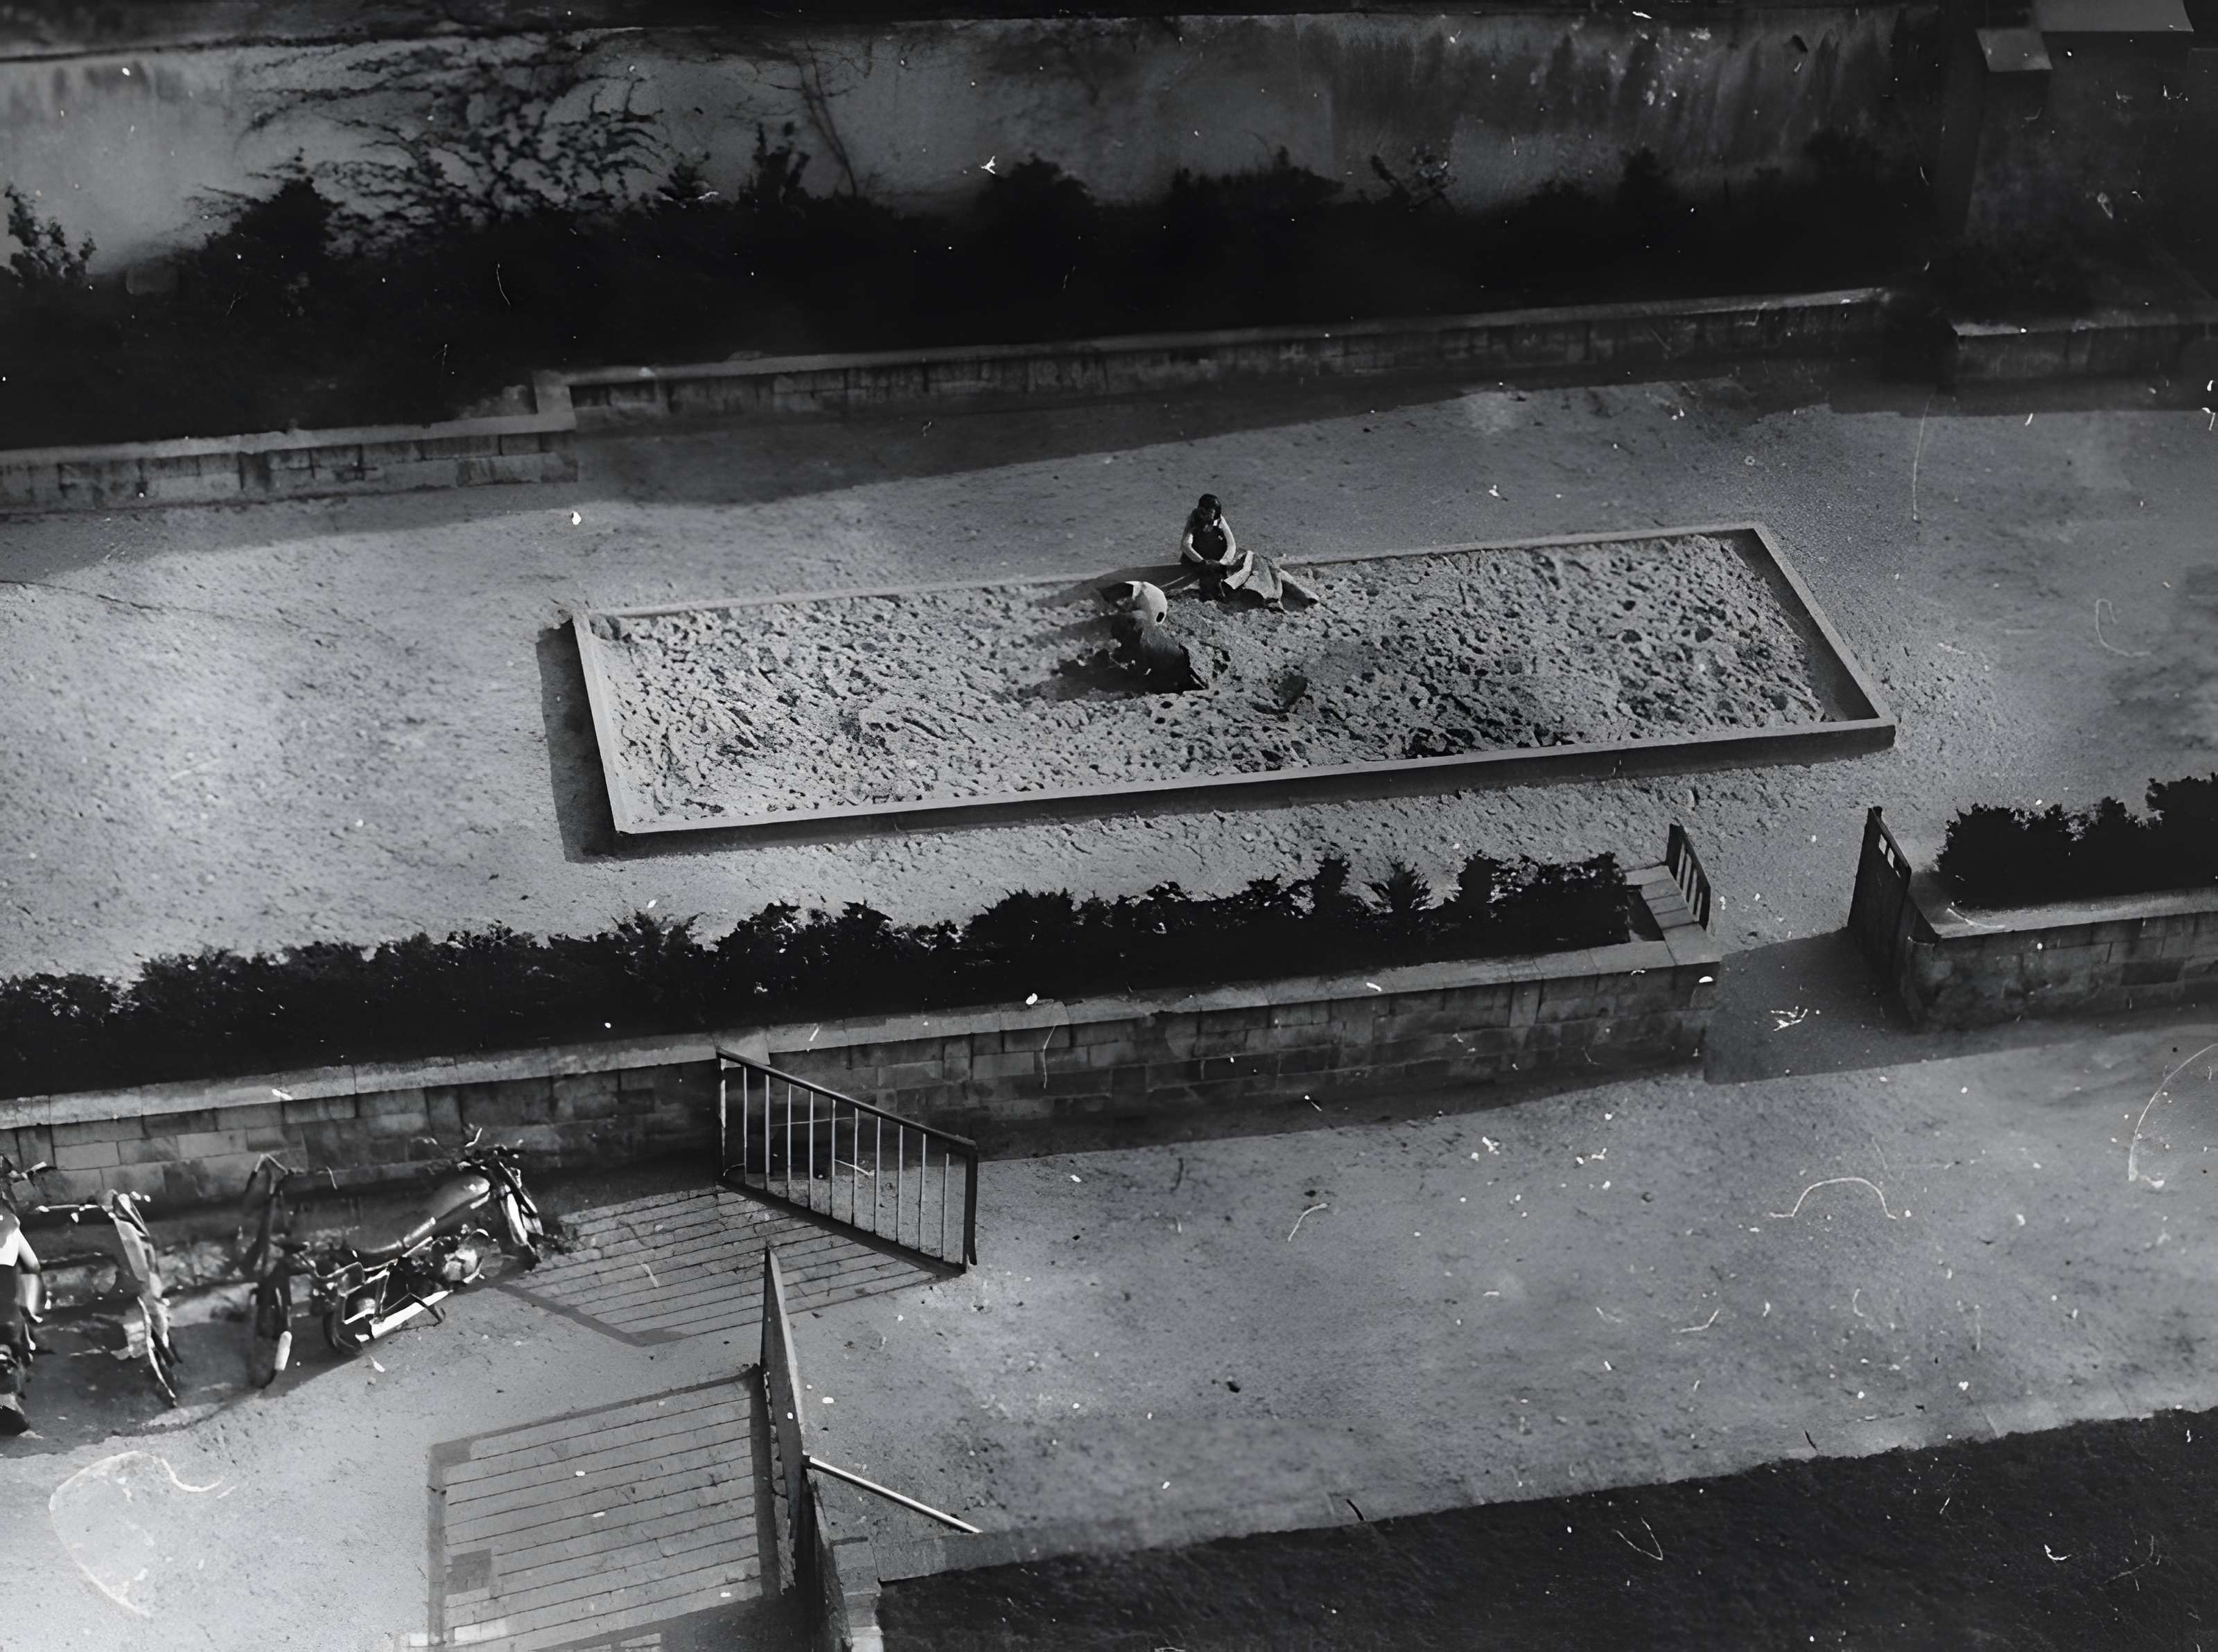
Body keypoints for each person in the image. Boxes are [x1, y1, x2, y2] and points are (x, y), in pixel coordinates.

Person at [1178, 493, 1318, 612]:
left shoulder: (1219, 521)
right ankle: (1269, 596)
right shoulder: (1194, 520)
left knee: (1261, 562)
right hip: (1202, 561)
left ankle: (1297, 593)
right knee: (1258, 567)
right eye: (1205, 511)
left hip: (1223, 558)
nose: (1208, 515)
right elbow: (1186, 545)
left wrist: (1223, 562)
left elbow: (1231, 543)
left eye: (1211, 512)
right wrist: (1203, 561)